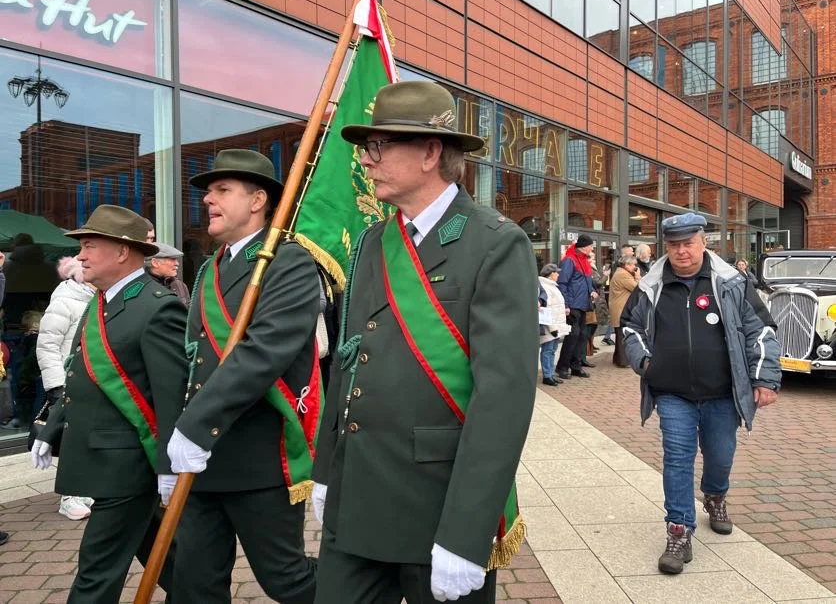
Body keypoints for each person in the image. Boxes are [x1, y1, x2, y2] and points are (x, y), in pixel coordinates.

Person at [311, 81, 538, 603]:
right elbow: (349, 361)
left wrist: (465, 533)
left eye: (379, 146)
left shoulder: (495, 242)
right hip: (359, 492)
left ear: (431, 152)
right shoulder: (373, 240)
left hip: (437, 503)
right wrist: (327, 470)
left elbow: (503, 397)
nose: (366, 160)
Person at [167, 149, 320, 604]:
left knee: (286, 580)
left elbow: (263, 353)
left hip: (259, 459)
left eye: (222, 190)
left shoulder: (288, 262)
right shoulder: (211, 268)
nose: (208, 200)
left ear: (258, 201)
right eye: (208, 192)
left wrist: (194, 428)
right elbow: (192, 361)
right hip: (200, 459)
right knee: (195, 583)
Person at [30, 204, 188, 602]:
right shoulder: (99, 302)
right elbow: (80, 372)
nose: (80, 255)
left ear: (122, 252)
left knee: (96, 571)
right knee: (164, 555)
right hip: (104, 458)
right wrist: (51, 430)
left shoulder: (156, 306)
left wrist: (169, 468)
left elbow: (170, 395)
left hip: (128, 464)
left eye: (89, 245)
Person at [620, 212, 781, 576]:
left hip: (722, 393)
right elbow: (630, 327)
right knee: (677, 456)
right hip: (672, 392)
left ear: (703, 241)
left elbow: (762, 331)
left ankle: (715, 496)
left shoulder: (731, 283)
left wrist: (764, 379)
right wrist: (644, 362)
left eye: (687, 243)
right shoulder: (651, 285)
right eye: (673, 245)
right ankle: (679, 530)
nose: (681, 252)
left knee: (720, 454)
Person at [36, 256, 96, 520]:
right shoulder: (65, 300)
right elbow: (47, 345)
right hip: (68, 381)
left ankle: (87, 490)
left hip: (93, 381)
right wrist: (56, 385)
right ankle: (70, 496)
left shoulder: (98, 299)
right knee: (73, 439)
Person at [556, 235, 597, 380]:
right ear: (584, 246)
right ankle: (562, 367)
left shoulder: (584, 261)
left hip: (582, 304)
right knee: (572, 337)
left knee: (580, 337)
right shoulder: (569, 260)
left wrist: (592, 290)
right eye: (591, 246)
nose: (592, 248)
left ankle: (575, 366)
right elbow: (563, 283)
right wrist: (566, 304)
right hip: (573, 305)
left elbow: (588, 281)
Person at [539, 264, 571, 386]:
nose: (558, 275)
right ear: (551, 274)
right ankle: (547, 375)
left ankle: (550, 374)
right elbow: (546, 309)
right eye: (556, 272)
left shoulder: (552, 286)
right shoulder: (547, 287)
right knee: (548, 351)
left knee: (552, 350)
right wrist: (552, 328)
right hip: (551, 326)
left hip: (556, 326)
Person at [608, 255, 641, 368]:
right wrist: (637, 277)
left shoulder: (620, 273)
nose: (634, 267)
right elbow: (637, 288)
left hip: (619, 308)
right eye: (632, 265)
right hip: (621, 309)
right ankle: (623, 361)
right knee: (622, 335)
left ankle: (618, 359)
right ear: (626, 265)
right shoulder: (623, 274)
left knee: (620, 335)